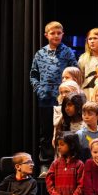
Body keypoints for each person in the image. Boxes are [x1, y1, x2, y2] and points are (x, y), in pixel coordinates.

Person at [31, 22, 77, 154]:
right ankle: (46, 161)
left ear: (63, 34)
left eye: (59, 33)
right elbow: (33, 75)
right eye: (53, 33)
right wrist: (39, 90)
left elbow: (75, 71)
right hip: (45, 99)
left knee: (64, 130)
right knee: (46, 131)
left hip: (63, 99)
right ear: (46, 35)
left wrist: (69, 89)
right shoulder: (40, 54)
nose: (56, 36)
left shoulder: (67, 52)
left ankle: (65, 157)